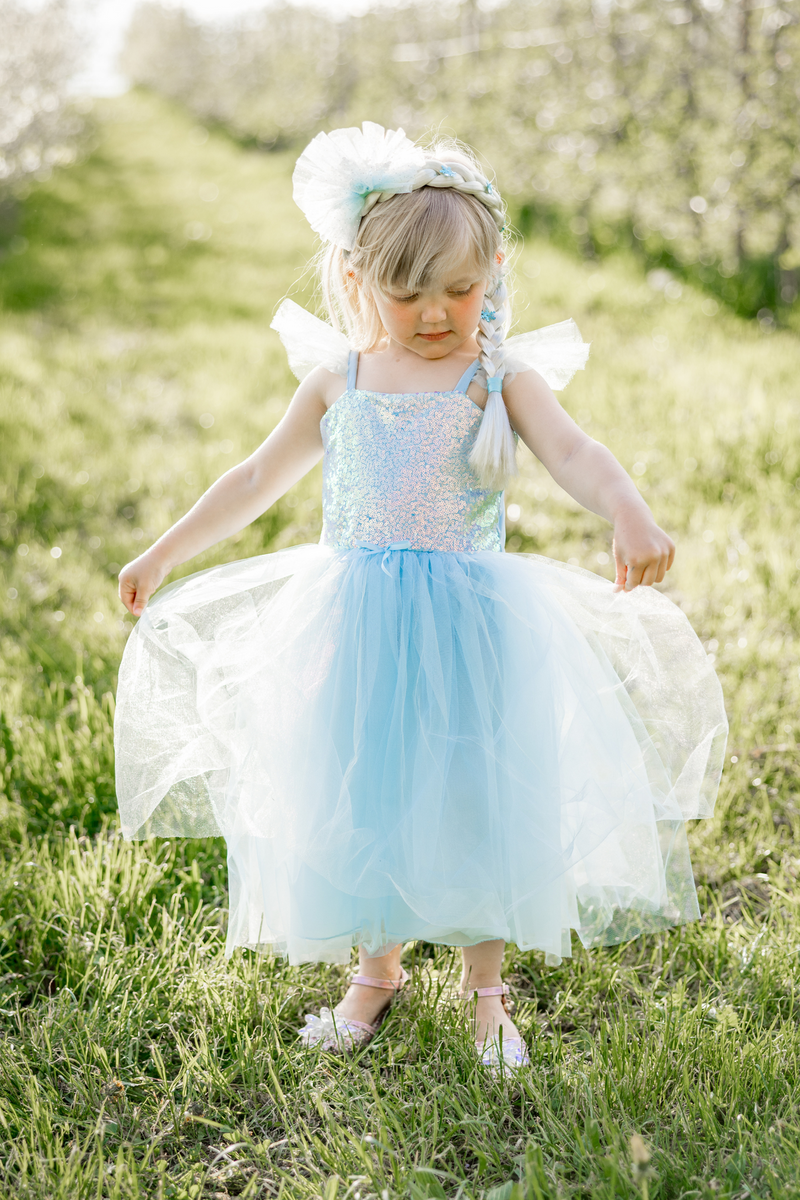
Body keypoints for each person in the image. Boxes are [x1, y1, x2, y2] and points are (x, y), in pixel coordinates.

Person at [114, 123, 727, 1074]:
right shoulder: (340, 379)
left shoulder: (499, 380)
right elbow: (252, 479)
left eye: (461, 289)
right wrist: (162, 552)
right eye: (408, 295)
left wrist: (628, 511)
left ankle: (488, 994)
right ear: (361, 285)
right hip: (358, 625)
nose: (437, 313)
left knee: (479, 796)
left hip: (474, 627)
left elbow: (576, 452)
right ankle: (377, 970)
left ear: (493, 279)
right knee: (369, 788)